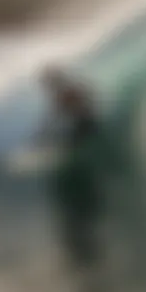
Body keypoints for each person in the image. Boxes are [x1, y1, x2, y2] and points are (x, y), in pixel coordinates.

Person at [40, 66, 106, 269]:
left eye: (48, 83)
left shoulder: (67, 91)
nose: (47, 88)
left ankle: (86, 247)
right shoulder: (62, 94)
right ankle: (85, 245)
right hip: (83, 124)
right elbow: (56, 115)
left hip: (87, 125)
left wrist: (84, 106)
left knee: (69, 145)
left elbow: (82, 101)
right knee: (65, 144)